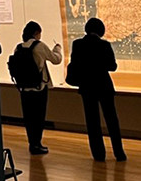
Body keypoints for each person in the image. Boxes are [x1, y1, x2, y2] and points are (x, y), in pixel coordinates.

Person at [66, 17, 127, 161]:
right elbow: (112, 66)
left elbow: (75, 63)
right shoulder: (104, 45)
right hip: (104, 85)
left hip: (86, 86)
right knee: (112, 120)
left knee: (92, 122)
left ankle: (98, 154)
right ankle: (119, 153)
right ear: (101, 30)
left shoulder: (77, 44)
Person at [15, 21, 62, 155]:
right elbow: (56, 59)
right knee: (39, 117)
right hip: (39, 88)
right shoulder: (39, 46)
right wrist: (57, 48)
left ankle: (32, 143)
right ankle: (37, 144)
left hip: (24, 89)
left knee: (28, 117)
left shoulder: (18, 47)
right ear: (36, 33)